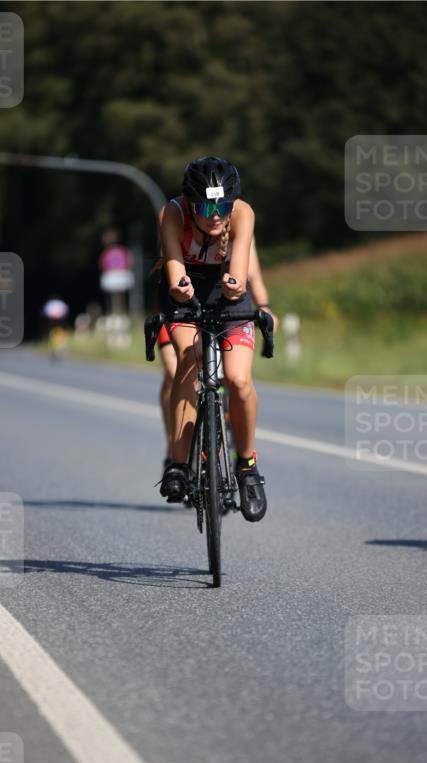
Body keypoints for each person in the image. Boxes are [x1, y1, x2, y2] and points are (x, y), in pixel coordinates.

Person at [156, 156, 269, 522]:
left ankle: (247, 467)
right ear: (190, 202)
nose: (215, 214)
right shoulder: (172, 214)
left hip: (226, 290)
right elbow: (174, 272)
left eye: (222, 205)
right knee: (188, 360)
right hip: (184, 291)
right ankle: (178, 464)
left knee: (237, 379)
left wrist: (236, 287)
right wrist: (180, 288)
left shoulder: (242, 213)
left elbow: (239, 273)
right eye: (206, 207)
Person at [156, 237, 278, 473]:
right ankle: (175, 448)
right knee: (175, 371)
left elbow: (253, 276)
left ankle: (228, 433)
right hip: (181, 303)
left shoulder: (237, 226)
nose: (215, 214)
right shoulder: (184, 221)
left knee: (233, 375)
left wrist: (265, 307)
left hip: (225, 306)